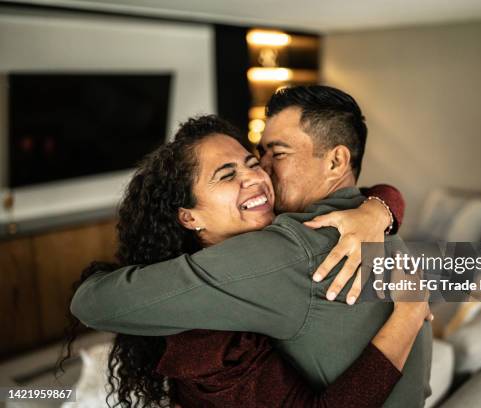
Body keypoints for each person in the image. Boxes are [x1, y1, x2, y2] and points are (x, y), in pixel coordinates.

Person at [72, 86, 433, 407]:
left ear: (337, 161)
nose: (261, 171)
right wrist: (380, 207)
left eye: (277, 153)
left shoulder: (290, 250)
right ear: (188, 216)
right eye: (259, 154)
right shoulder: (386, 238)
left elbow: (91, 302)